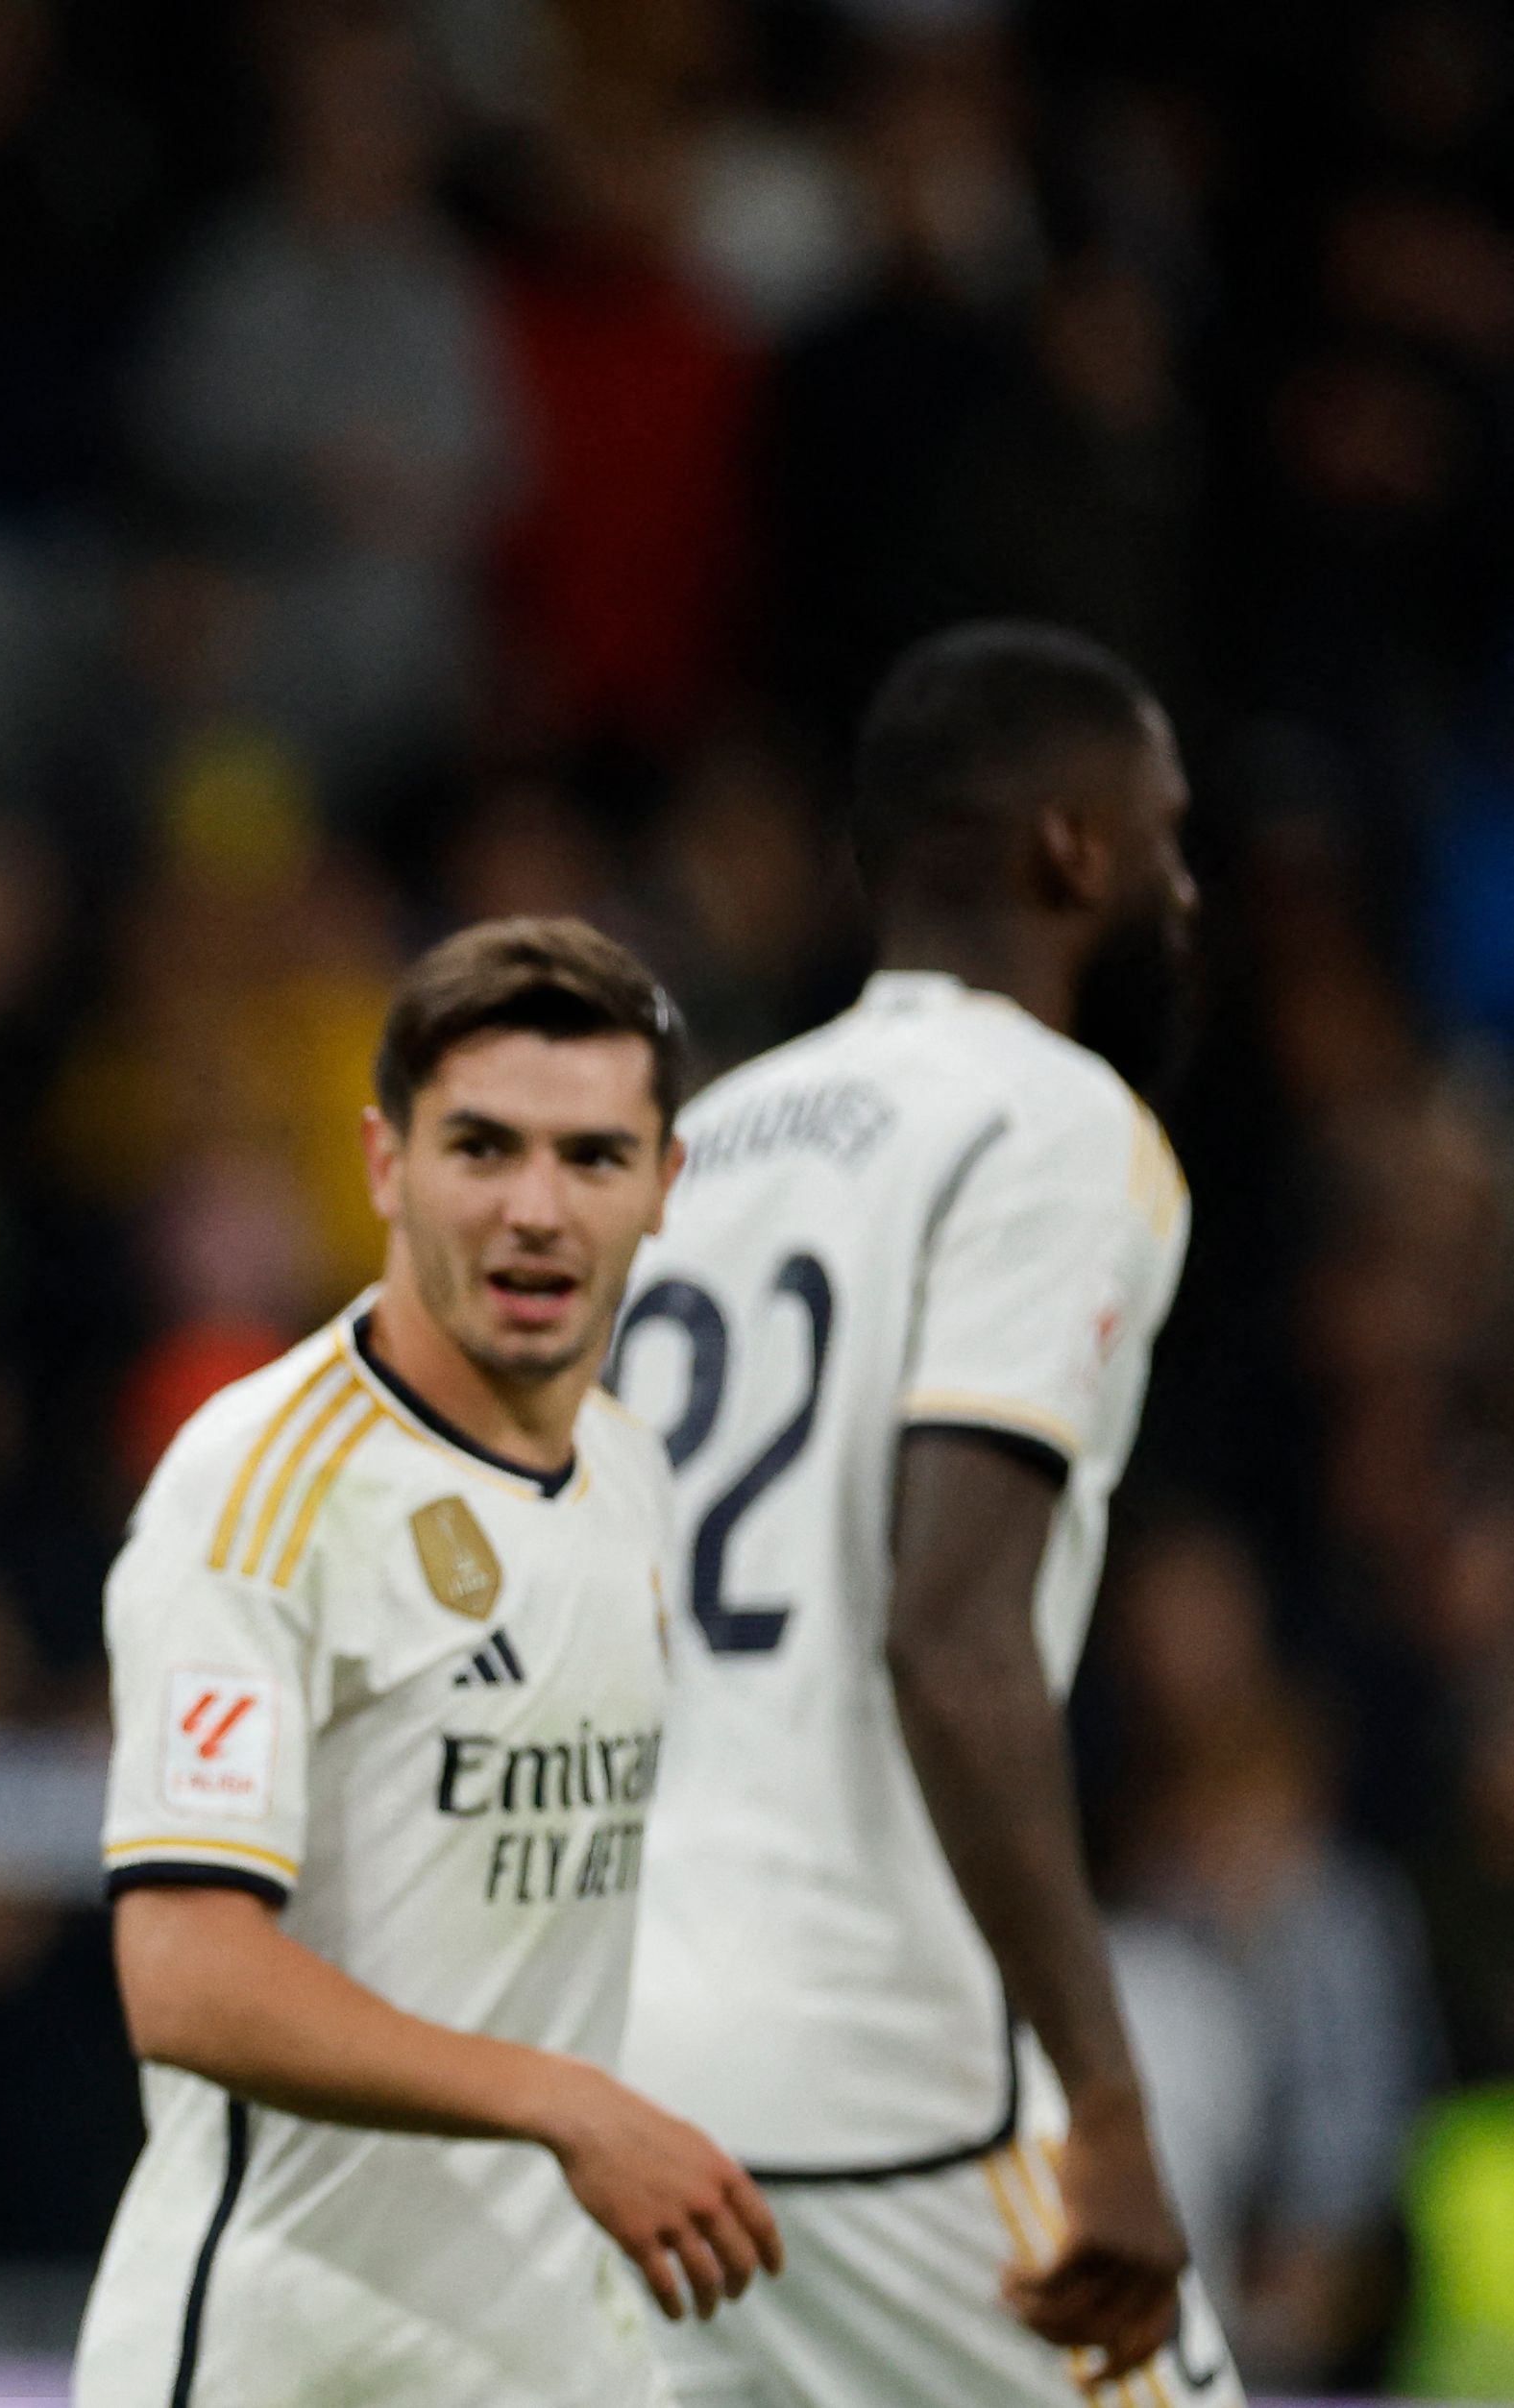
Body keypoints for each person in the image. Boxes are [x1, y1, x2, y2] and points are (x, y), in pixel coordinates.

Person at [608, 620, 1246, 2406]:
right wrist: (1108, 2107)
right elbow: (946, 1632)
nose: (1183, 893)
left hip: (617, 2062)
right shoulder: (1052, 1126)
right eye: (1166, 838)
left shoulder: (703, 1143)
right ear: (1069, 849)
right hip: (875, 2072)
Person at [74, 917, 779, 2408]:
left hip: (550, 2348)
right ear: (385, 1166)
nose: (535, 1207)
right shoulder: (259, 1486)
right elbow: (186, 1975)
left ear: (667, 1183)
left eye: (591, 1157)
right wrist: (566, 2107)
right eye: (482, 1149)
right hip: (287, 2351)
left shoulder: (630, 1472)